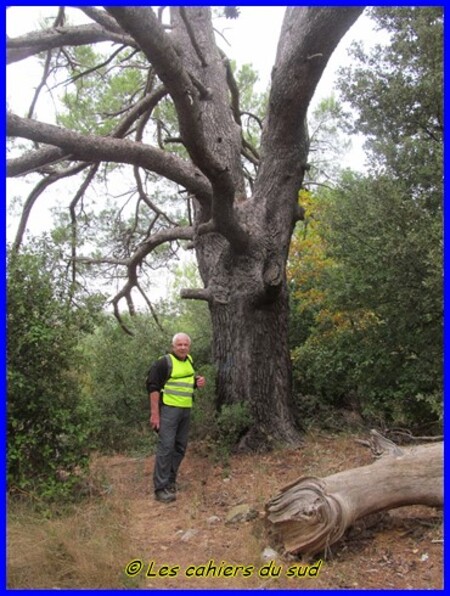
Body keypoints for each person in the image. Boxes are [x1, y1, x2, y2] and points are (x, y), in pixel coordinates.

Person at [146, 332, 206, 503]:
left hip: (185, 410)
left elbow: (185, 382)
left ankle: (170, 482)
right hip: (169, 411)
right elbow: (153, 387)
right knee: (166, 448)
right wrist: (155, 414)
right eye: (179, 345)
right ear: (173, 346)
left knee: (180, 447)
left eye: (185, 345)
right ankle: (160, 488)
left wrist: (197, 382)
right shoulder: (163, 362)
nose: (182, 347)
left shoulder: (189, 360)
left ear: (189, 347)